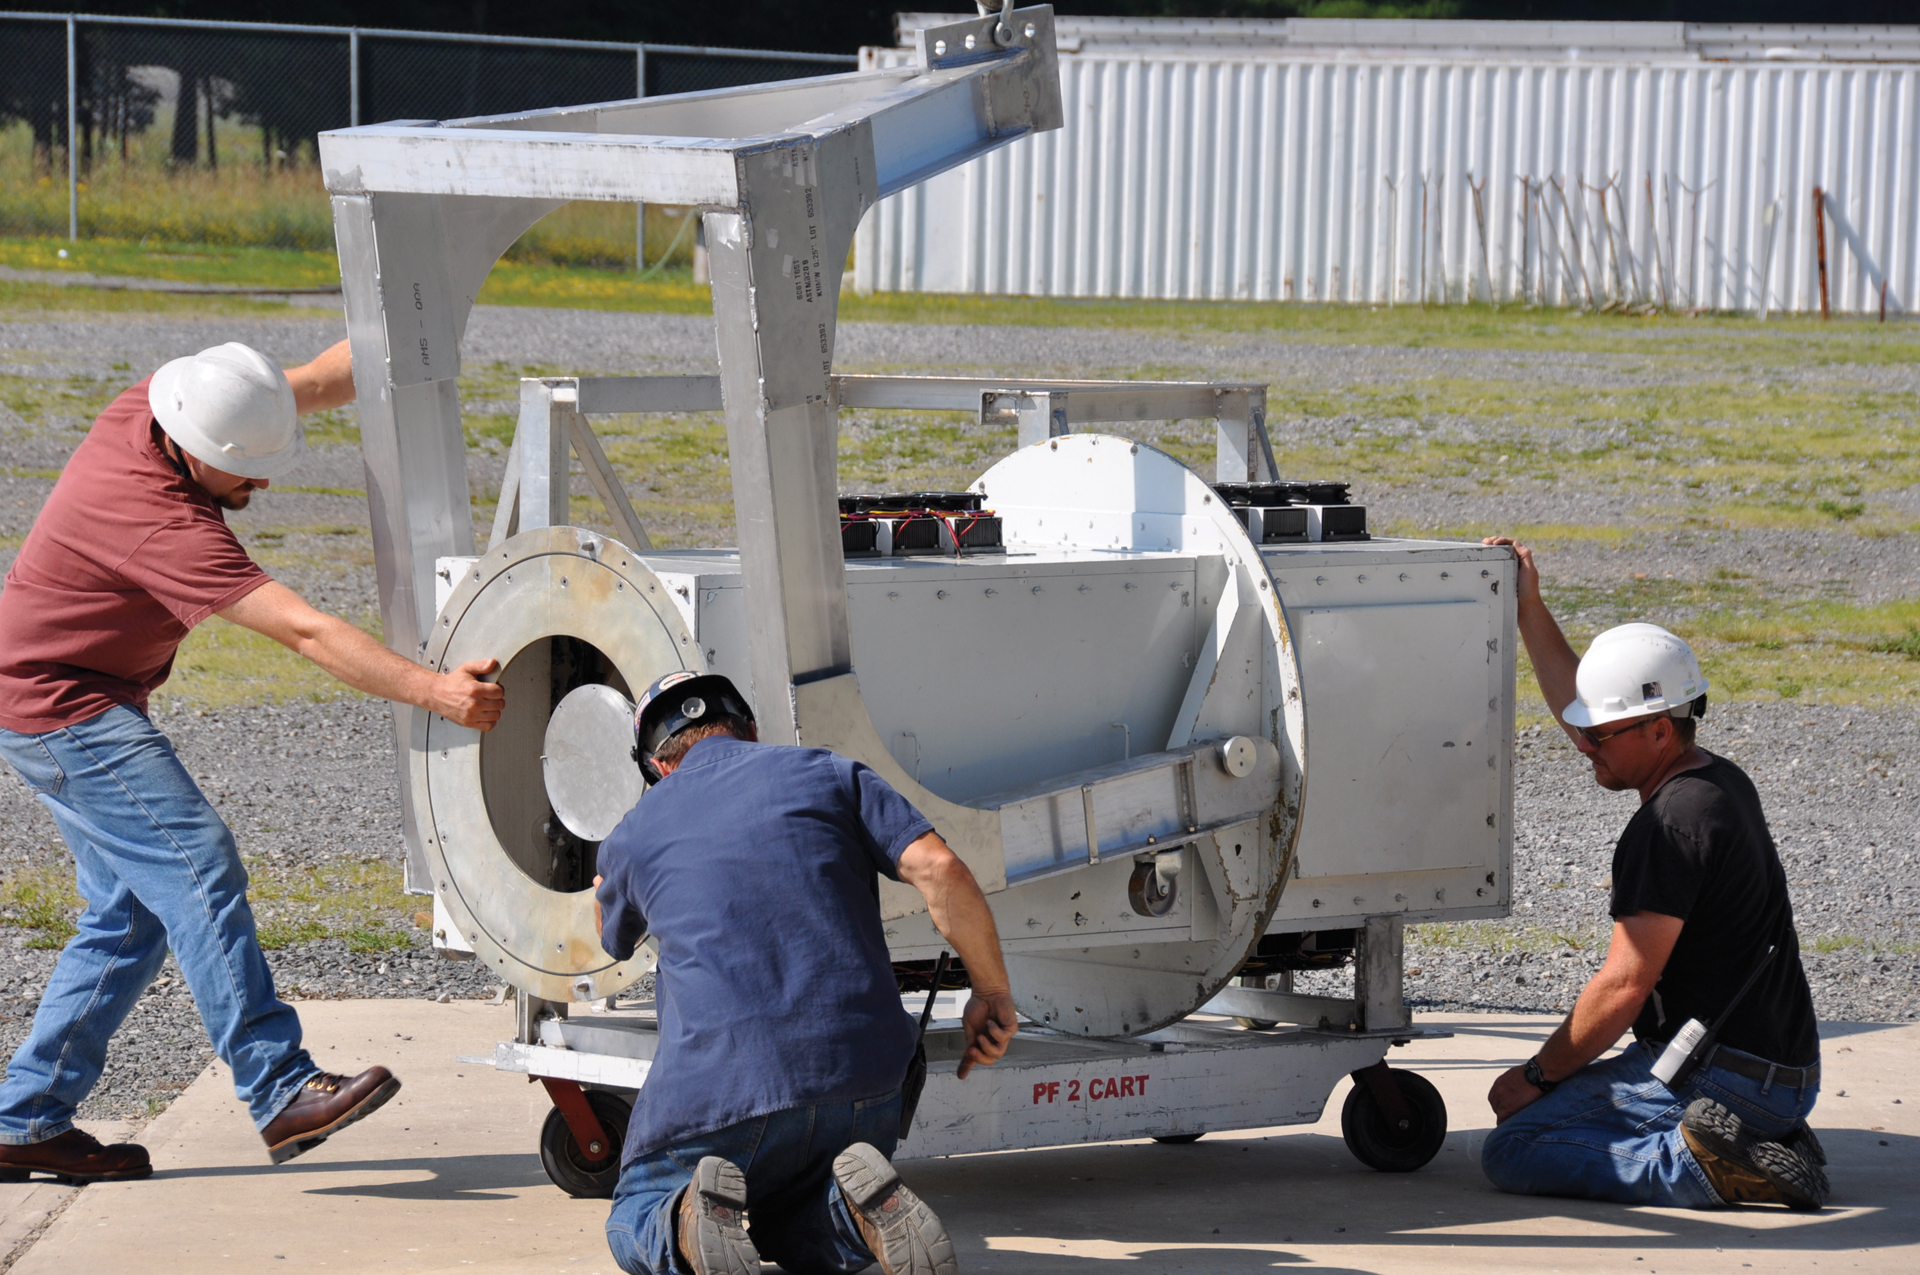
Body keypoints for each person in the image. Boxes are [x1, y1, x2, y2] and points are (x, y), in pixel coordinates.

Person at [0, 341, 505, 1184]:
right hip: (64, 706)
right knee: (196, 862)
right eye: (246, 475)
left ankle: (25, 1116)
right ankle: (279, 1088)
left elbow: (310, 380)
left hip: (56, 691)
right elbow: (307, 631)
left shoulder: (160, 406)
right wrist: (438, 693)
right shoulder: (163, 522)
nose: (261, 487)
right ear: (196, 454)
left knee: (130, 915)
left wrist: (407, 329)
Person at [595, 671, 1018, 1275]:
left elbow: (611, 937)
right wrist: (993, 991)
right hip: (863, 1082)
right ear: (752, 731)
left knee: (635, 1211)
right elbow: (940, 868)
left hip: (721, 1092)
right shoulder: (829, 773)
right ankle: (856, 1213)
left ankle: (688, 1220)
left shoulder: (635, 832)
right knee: (795, 1228)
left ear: (659, 768)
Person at [1477, 536, 1827, 1211]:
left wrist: (1535, 1075)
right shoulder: (1718, 782)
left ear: (1660, 732)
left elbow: (1624, 985)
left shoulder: (1667, 830)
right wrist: (1529, 608)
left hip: (1722, 1075)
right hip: (1786, 1073)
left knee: (1515, 1143)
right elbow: (1590, 712)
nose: (1581, 744)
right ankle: (1763, 1137)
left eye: (1599, 737)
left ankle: (1713, 1165)